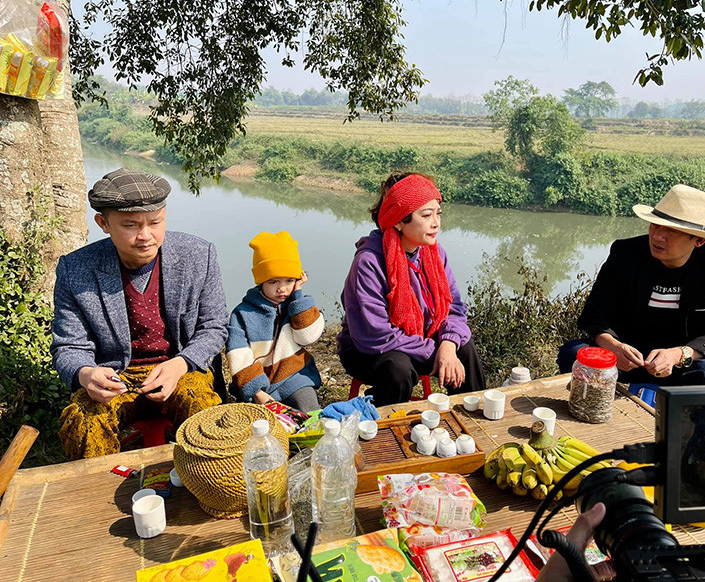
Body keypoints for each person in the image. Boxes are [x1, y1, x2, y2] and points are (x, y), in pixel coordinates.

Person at [54, 169, 228, 460]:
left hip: (178, 367)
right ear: (103, 223)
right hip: (115, 376)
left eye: (155, 222)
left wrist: (181, 364)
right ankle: (98, 498)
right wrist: (87, 374)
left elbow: (214, 327)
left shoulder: (199, 255)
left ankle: (206, 491)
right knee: (83, 422)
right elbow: (69, 346)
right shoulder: (75, 270)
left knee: (203, 410)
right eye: (131, 225)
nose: (145, 236)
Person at [558, 184, 705, 388]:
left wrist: (679, 354)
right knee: (573, 355)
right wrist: (614, 346)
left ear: (700, 240)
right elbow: (594, 317)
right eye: (655, 225)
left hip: (688, 363)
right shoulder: (625, 253)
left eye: (672, 231)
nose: (658, 236)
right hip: (628, 360)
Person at [337, 172, 486, 406]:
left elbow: (454, 308)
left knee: (463, 347)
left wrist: (447, 345)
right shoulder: (369, 262)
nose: (436, 223)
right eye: (426, 215)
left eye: (438, 213)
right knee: (398, 369)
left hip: (421, 340)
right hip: (369, 350)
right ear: (398, 220)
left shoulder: (435, 253)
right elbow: (375, 334)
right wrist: (435, 351)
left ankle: (472, 418)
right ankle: (382, 429)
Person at [226, 231, 325, 412]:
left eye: (289, 280)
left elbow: (307, 336)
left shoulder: (296, 306)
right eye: (273, 282)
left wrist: (298, 296)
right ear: (261, 281)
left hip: (294, 376)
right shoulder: (242, 314)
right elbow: (239, 357)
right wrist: (258, 393)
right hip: (257, 383)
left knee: (309, 410)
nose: (282, 288)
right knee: (264, 426)